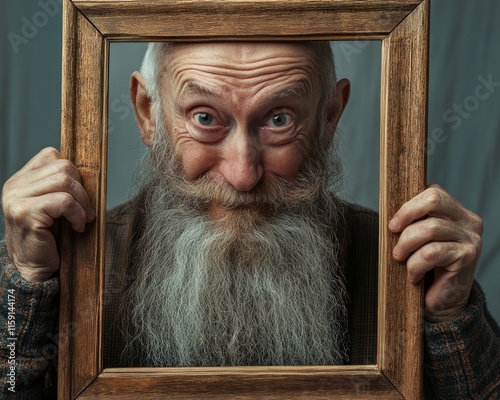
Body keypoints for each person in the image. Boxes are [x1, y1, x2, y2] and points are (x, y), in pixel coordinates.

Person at [1, 42, 499, 398]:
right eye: (204, 117)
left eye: (279, 118)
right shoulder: (74, 255)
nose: (243, 173)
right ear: (148, 112)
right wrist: (26, 286)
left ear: (329, 117)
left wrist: (452, 318)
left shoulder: (402, 262)